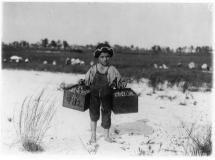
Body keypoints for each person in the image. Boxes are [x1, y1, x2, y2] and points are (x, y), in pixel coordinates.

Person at [60, 43, 124, 143]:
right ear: (98, 57)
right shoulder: (93, 69)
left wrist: (120, 85)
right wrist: (73, 84)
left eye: (107, 57)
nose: (105, 59)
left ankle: (106, 136)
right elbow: (86, 81)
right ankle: (93, 136)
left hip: (107, 96)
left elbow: (119, 83)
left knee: (107, 114)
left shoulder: (112, 70)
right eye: (102, 57)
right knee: (93, 115)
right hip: (94, 95)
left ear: (109, 57)